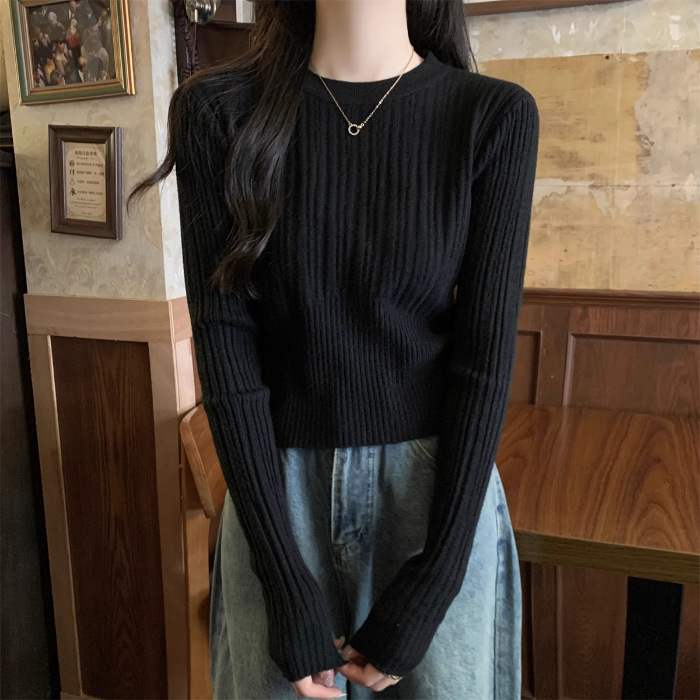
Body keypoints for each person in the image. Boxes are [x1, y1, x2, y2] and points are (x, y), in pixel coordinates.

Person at [127, 1, 539, 697]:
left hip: (435, 499)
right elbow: (226, 345)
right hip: (274, 499)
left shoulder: (492, 116)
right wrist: (282, 578)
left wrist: (436, 579)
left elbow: (483, 363)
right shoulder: (216, 113)